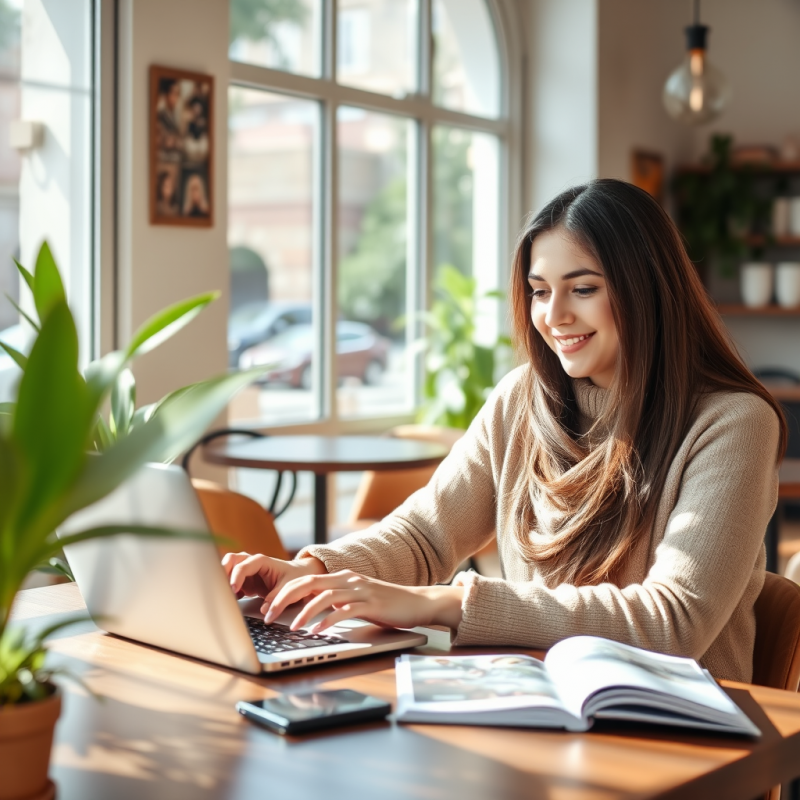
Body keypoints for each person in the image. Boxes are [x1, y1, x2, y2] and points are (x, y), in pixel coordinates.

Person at [223, 179, 786, 682]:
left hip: (681, 728)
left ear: (647, 289)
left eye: (583, 288)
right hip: (535, 704)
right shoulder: (522, 398)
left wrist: (444, 604)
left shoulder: (733, 423)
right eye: (540, 290)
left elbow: (674, 622)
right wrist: (311, 571)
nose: (554, 316)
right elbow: (426, 535)